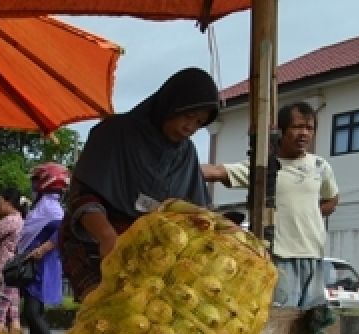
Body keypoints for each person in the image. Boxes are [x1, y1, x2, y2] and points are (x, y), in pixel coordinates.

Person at [62, 67, 221, 302]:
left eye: (199, 123)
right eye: (188, 116)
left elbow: (195, 212)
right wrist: (108, 237)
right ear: (171, 104)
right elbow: (82, 196)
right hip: (97, 243)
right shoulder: (115, 133)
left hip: (153, 257)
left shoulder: (186, 153)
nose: (190, 128)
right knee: (102, 317)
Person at [203, 101, 340, 308]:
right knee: (279, 321)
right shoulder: (264, 168)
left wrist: (309, 214)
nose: (304, 133)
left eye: (309, 128)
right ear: (282, 132)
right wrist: (181, 165)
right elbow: (217, 172)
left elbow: (332, 198)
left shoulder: (320, 166)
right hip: (279, 258)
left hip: (314, 256)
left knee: (309, 327)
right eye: (297, 127)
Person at [19, 163, 68, 334]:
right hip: (36, 263)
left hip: (42, 264)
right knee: (32, 309)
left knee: (32, 310)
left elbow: (63, 231)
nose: (33, 183)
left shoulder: (51, 207)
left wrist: (44, 248)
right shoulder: (44, 204)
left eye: (36, 179)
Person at [0, 186, 25, 334]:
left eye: (0, 201)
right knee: (13, 317)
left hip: (3, 273)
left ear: (9, 202)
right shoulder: (20, 219)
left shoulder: (10, 220)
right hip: (12, 274)